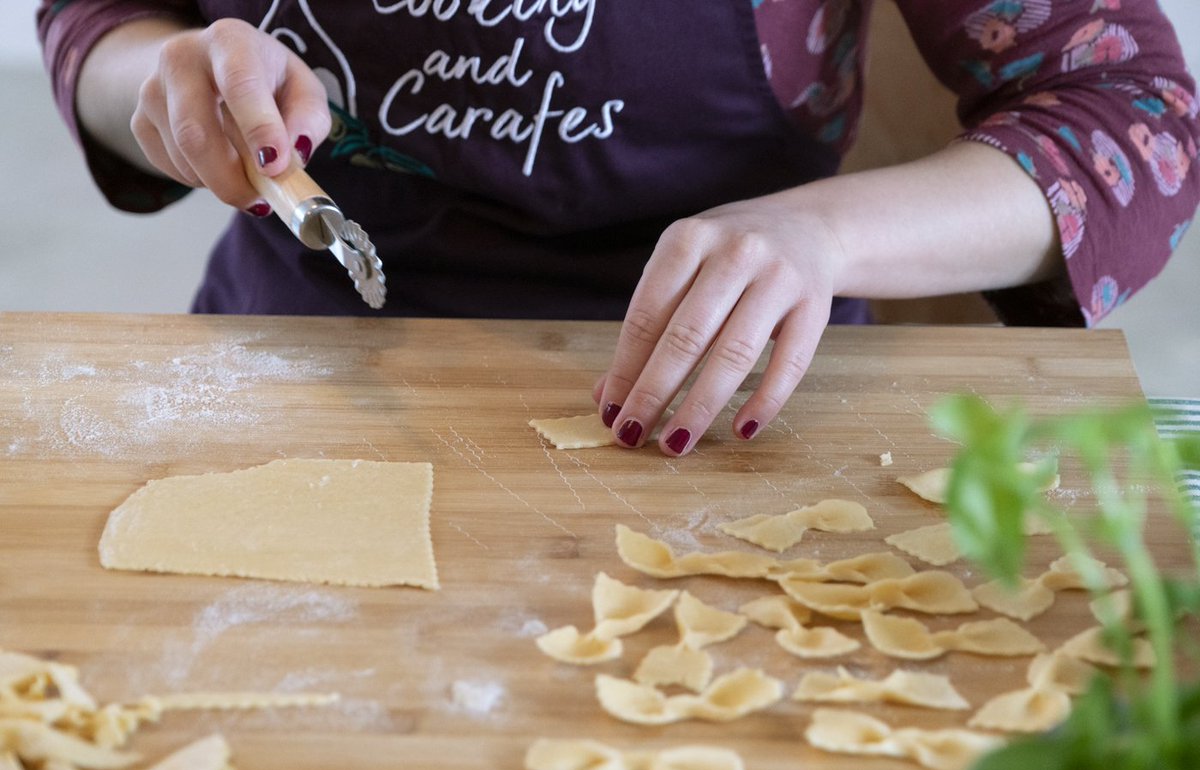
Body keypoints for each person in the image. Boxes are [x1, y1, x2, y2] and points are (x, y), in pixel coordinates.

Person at [38, 1, 1199, 458]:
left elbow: (1133, 113)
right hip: (301, 372)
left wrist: (825, 235)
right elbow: (97, 17)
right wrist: (167, 81)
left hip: (742, 402)